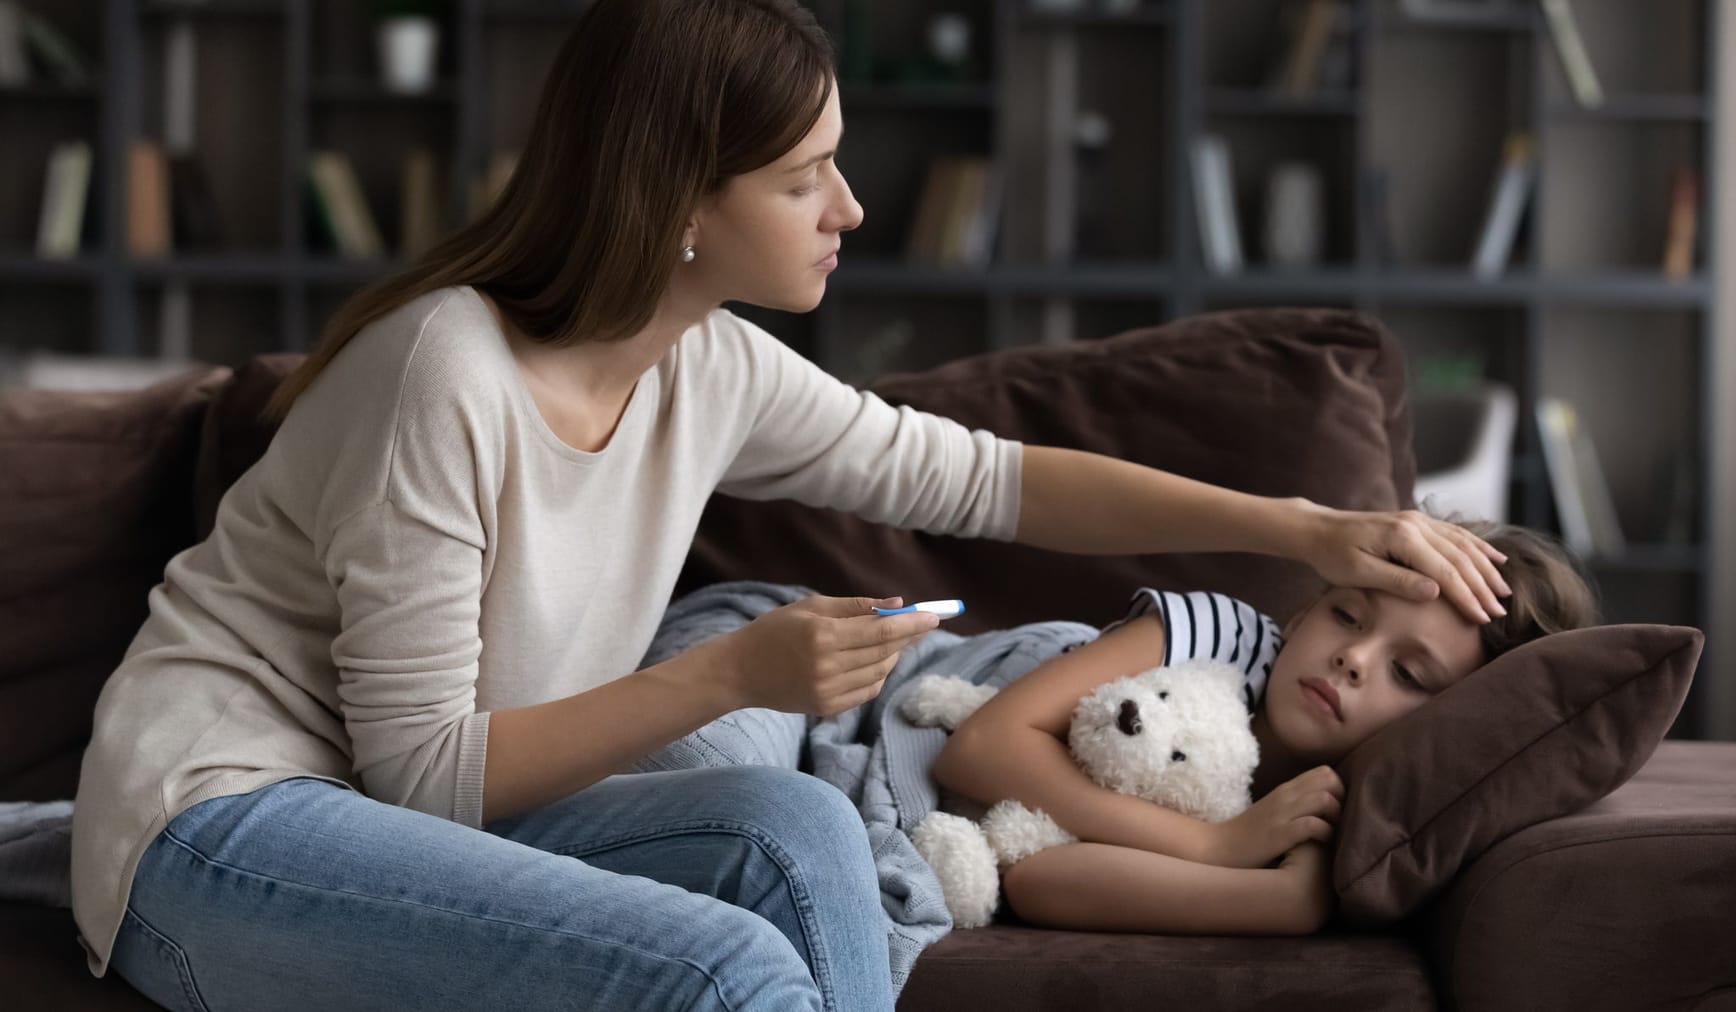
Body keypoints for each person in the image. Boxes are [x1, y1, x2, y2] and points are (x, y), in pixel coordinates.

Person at [70, 2, 1513, 1010]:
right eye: (807, 174)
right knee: (725, 975)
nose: (850, 208)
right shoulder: (445, 376)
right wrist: (733, 676)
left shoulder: (709, 364)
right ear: (683, 198)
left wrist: (1307, 531)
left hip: (426, 831)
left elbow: (988, 474)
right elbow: (423, 778)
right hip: (231, 832)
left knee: (802, 831)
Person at [930, 519, 1599, 937]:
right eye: (1347, 616)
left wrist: (1287, 899)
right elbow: (982, 746)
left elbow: (1040, 880)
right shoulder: (1219, 637)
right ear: (1306, 610)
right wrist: (1212, 847)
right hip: (925, 687)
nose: (1354, 658)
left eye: (1411, 675)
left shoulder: (1337, 813)